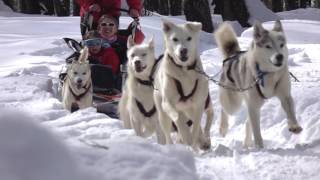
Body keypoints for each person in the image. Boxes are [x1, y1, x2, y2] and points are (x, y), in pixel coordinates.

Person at [76, 0, 141, 37]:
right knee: (91, 38)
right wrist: (90, 4)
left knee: (112, 36)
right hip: (92, 14)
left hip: (112, 11)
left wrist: (134, 7)